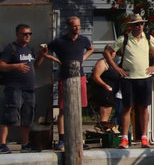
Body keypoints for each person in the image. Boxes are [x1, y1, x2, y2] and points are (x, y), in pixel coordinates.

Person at [41, 16, 93, 149]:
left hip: (79, 76)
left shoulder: (83, 40)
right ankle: (62, 139)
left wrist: (83, 59)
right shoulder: (60, 41)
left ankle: (79, 138)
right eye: (75, 26)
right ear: (69, 27)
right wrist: (57, 61)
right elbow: (45, 51)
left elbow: (91, 49)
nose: (77, 28)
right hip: (65, 77)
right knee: (63, 109)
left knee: (79, 107)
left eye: (79, 26)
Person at [114, 14, 154, 149]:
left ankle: (144, 137)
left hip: (144, 77)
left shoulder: (148, 38)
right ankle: (124, 138)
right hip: (128, 78)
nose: (139, 26)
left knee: (143, 107)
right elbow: (108, 51)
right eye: (136, 24)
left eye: (141, 24)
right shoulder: (124, 39)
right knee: (126, 108)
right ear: (131, 26)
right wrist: (117, 68)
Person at [0, 24, 40, 152]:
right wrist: (15, 66)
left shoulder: (29, 48)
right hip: (14, 88)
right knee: (9, 116)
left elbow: (34, 66)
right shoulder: (11, 48)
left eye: (29, 34)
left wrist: (42, 56)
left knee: (26, 117)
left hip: (29, 88)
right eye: (25, 34)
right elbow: (1, 65)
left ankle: (25, 144)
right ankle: (2, 144)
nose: (27, 36)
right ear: (18, 35)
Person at [89, 45, 122, 132]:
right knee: (104, 116)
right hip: (105, 92)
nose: (112, 53)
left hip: (112, 92)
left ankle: (106, 130)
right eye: (110, 51)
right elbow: (96, 76)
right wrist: (104, 85)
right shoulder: (102, 63)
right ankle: (102, 130)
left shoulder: (112, 64)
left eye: (113, 51)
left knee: (109, 114)